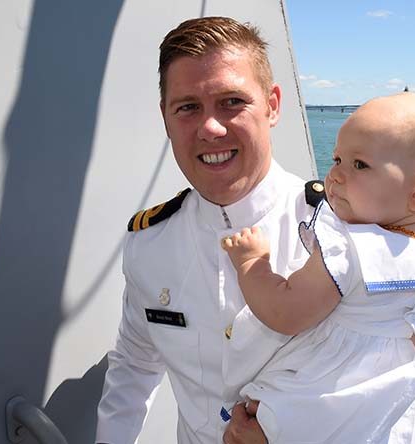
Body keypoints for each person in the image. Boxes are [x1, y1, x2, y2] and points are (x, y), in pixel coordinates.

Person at [95, 17, 322, 444]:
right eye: (187, 107)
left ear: (272, 105)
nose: (210, 128)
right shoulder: (149, 244)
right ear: (165, 117)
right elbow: (135, 364)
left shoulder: (336, 230)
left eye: (232, 101)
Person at [221, 92, 415, 443]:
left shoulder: (350, 250)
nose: (335, 175)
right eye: (337, 159)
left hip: (335, 397)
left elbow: (284, 312)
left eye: (358, 165)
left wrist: (252, 263)